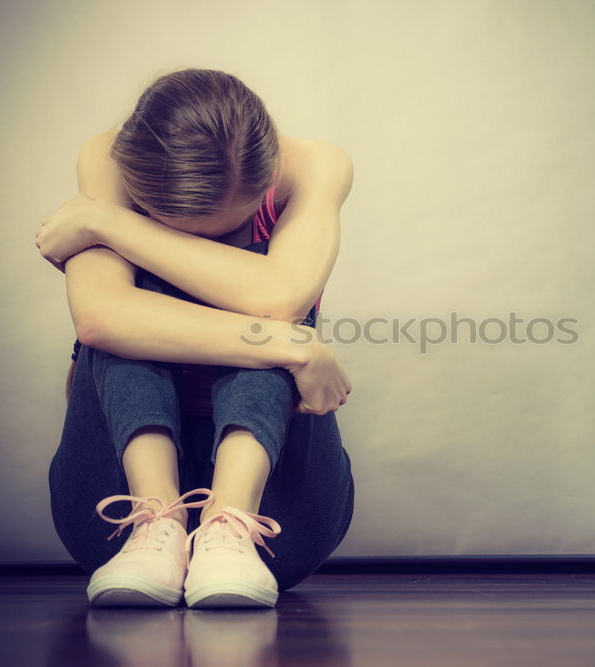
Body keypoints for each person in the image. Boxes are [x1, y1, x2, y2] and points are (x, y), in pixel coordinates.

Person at [35, 67, 356, 609]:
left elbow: (280, 299)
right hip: (113, 511)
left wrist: (104, 223)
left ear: (269, 169)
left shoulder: (315, 165)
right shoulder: (108, 157)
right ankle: (155, 521)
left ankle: (228, 524)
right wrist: (295, 346)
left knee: (264, 308)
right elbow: (101, 317)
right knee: (139, 316)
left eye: (233, 222)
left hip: (276, 523)